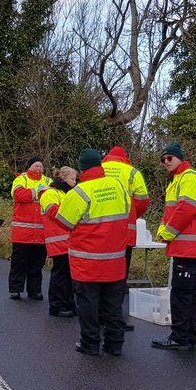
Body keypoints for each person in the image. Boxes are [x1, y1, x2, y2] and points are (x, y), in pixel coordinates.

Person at [54, 149, 131, 356]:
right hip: (115, 259)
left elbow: (64, 222)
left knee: (88, 304)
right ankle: (115, 344)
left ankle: (90, 343)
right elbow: (129, 211)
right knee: (113, 304)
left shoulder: (79, 192)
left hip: (87, 262)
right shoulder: (119, 186)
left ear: (81, 169)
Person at [150, 143, 196, 351]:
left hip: (189, 246)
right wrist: (162, 228)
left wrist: (167, 232)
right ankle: (190, 337)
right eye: (163, 159)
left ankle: (179, 337)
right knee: (189, 292)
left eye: (170, 158)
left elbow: (186, 210)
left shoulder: (190, 177)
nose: (166, 162)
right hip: (186, 245)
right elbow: (171, 212)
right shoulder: (178, 180)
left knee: (182, 293)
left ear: (180, 158)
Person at [102, 146, 149, 331]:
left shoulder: (99, 169)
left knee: (100, 273)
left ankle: (98, 315)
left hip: (100, 231)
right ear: (125, 158)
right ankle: (115, 318)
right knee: (119, 275)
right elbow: (143, 201)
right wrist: (132, 215)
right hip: (124, 232)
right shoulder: (132, 172)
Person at [9, 156, 52, 299]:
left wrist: (33, 194)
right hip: (22, 231)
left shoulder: (48, 181)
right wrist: (38, 192)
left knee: (37, 263)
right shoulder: (21, 179)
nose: (39, 168)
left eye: (40, 166)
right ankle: (15, 289)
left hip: (40, 232)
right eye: (36, 166)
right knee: (18, 262)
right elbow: (19, 195)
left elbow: (53, 196)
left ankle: (34, 291)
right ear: (29, 167)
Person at [40, 166, 78, 317]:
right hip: (58, 239)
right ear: (63, 178)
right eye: (72, 179)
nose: (75, 182)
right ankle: (57, 306)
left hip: (68, 240)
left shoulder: (67, 193)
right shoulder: (50, 193)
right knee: (60, 274)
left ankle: (69, 304)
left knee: (68, 275)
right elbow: (53, 212)